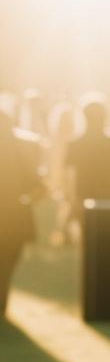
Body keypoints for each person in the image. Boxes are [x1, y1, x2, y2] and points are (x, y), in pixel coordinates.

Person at [0, 108, 44, 317]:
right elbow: (38, 187)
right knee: (7, 263)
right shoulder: (22, 149)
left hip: (13, 214)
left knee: (6, 262)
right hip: (15, 215)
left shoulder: (21, 149)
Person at [65, 94, 110, 224]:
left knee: (88, 239)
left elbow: (69, 177)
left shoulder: (75, 144)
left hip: (85, 201)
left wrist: (73, 201)